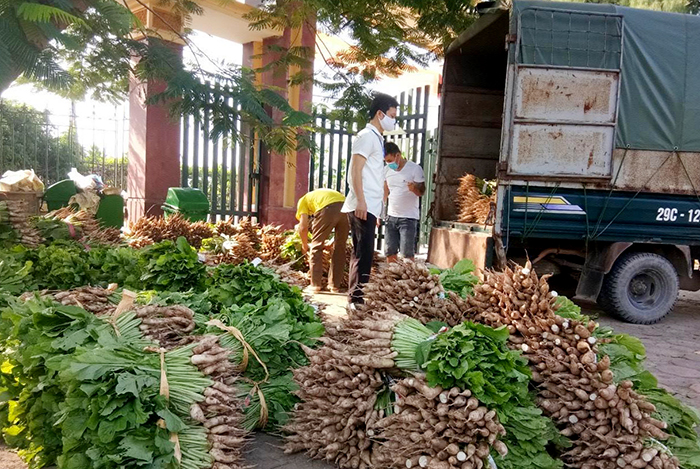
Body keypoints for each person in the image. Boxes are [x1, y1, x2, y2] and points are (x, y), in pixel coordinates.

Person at [342, 93, 399, 305]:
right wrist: (361, 202)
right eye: (392, 116)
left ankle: (357, 299)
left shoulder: (377, 137)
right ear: (380, 113)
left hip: (370, 205)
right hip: (362, 204)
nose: (394, 120)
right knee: (361, 253)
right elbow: (355, 171)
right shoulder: (366, 136)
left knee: (365, 253)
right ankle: (355, 300)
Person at [295, 188, 349, 293]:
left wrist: (304, 245)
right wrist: (333, 240)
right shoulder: (317, 196)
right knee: (340, 247)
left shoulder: (302, 201)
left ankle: (315, 285)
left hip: (327, 208)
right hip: (346, 207)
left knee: (316, 246)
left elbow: (303, 227)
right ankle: (334, 286)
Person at [382, 142, 426, 261]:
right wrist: (380, 212)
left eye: (390, 160)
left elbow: (421, 191)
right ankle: (391, 277)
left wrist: (414, 188)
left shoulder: (415, 169)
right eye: (386, 161)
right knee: (389, 251)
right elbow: (385, 192)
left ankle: (409, 278)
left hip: (408, 217)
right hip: (391, 217)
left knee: (407, 254)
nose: (389, 163)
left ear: (398, 155)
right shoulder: (386, 170)